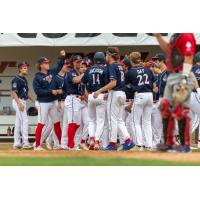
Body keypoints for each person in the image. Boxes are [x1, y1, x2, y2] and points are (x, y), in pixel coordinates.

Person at [154, 33, 197, 153]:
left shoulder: (186, 35)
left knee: (180, 109)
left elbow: (188, 56)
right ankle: (168, 143)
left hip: (183, 74)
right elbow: (168, 49)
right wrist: (157, 36)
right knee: (165, 108)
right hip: (172, 74)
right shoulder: (176, 36)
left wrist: (184, 78)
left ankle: (185, 145)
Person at [94, 47, 134, 151]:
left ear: (110, 55)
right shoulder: (120, 66)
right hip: (121, 93)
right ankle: (128, 141)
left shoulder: (112, 66)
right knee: (119, 120)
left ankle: (112, 144)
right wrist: (108, 92)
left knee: (113, 120)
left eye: (107, 55)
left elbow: (113, 83)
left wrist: (100, 91)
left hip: (115, 93)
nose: (106, 57)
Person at [33, 51, 65, 150]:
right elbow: (38, 91)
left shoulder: (51, 72)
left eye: (48, 62)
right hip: (43, 103)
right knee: (41, 123)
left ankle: (59, 144)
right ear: (41, 65)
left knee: (56, 123)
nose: (48, 64)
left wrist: (62, 56)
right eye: (46, 63)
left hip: (52, 102)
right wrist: (51, 91)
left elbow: (59, 65)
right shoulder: (37, 77)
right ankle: (37, 145)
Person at [126, 52, 157, 150]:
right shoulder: (148, 70)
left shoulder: (131, 71)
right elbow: (154, 85)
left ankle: (138, 144)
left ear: (131, 60)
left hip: (139, 95)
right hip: (150, 95)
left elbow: (125, 85)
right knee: (147, 122)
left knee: (135, 122)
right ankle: (149, 145)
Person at [81, 52, 108, 150]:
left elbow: (82, 83)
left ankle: (91, 139)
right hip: (101, 95)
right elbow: (108, 83)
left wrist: (86, 96)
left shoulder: (88, 69)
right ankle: (97, 142)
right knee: (100, 121)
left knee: (91, 121)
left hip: (91, 95)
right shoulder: (105, 69)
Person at [11, 61, 35, 149]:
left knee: (18, 122)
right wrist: (19, 103)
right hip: (18, 101)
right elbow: (13, 92)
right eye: (24, 68)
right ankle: (25, 142)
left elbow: (28, 92)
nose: (26, 69)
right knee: (25, 121)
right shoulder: (16, 79)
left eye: (26, 68)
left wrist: (34, 101)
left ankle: (16, 143)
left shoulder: (24, 79)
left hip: (22, 101)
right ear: (20, 69)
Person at [63, 55, 85, 150]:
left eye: (80, 61)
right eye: (77, 61)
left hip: (78, 99)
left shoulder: (78, 72)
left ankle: (74, 143)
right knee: (72, 123)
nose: (79, 63)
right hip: (72, 98)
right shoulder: (71, 72)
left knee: (78, 124)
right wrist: (85, 73)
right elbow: (75, 80)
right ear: (73, 63)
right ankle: (70, 145)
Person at [151, 53, 169, 148]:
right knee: (157, 121)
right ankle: (159, 142)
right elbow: (156, 88)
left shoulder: (168, 71)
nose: (155, 62)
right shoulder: (161, 74)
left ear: (161, 61)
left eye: (156, 60)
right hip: (161, 98)